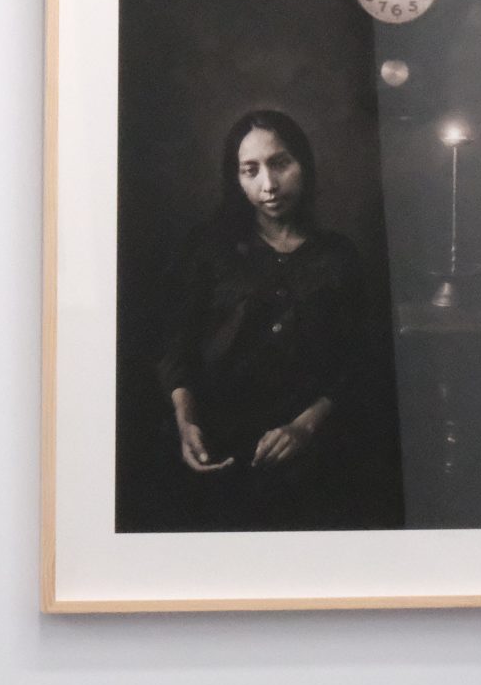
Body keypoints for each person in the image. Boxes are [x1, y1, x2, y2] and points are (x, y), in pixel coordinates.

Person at [147, 108, 399, 532]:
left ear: (304, 164)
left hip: (315, 450)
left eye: (280, 163)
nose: (269, 184)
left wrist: (304, 427)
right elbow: (175, 345)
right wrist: (186, 423)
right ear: (236, 178)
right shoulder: (209, 249)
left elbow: (358, 359)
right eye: (251, 170)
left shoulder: (338, 256)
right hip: (219, 443)